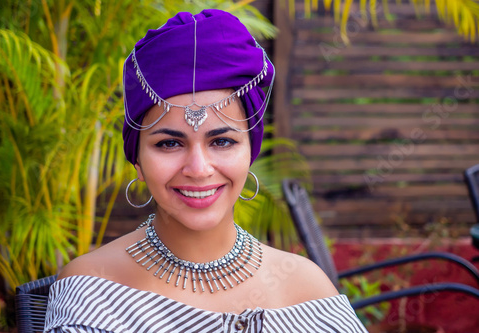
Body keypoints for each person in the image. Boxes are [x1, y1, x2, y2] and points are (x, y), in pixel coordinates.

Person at [44, 9, 367, 333]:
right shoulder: (93, 292)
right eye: (169, 144)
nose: (198, 170)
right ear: (137, 161)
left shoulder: (304, 290)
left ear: (250, 153)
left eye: (222, 141)